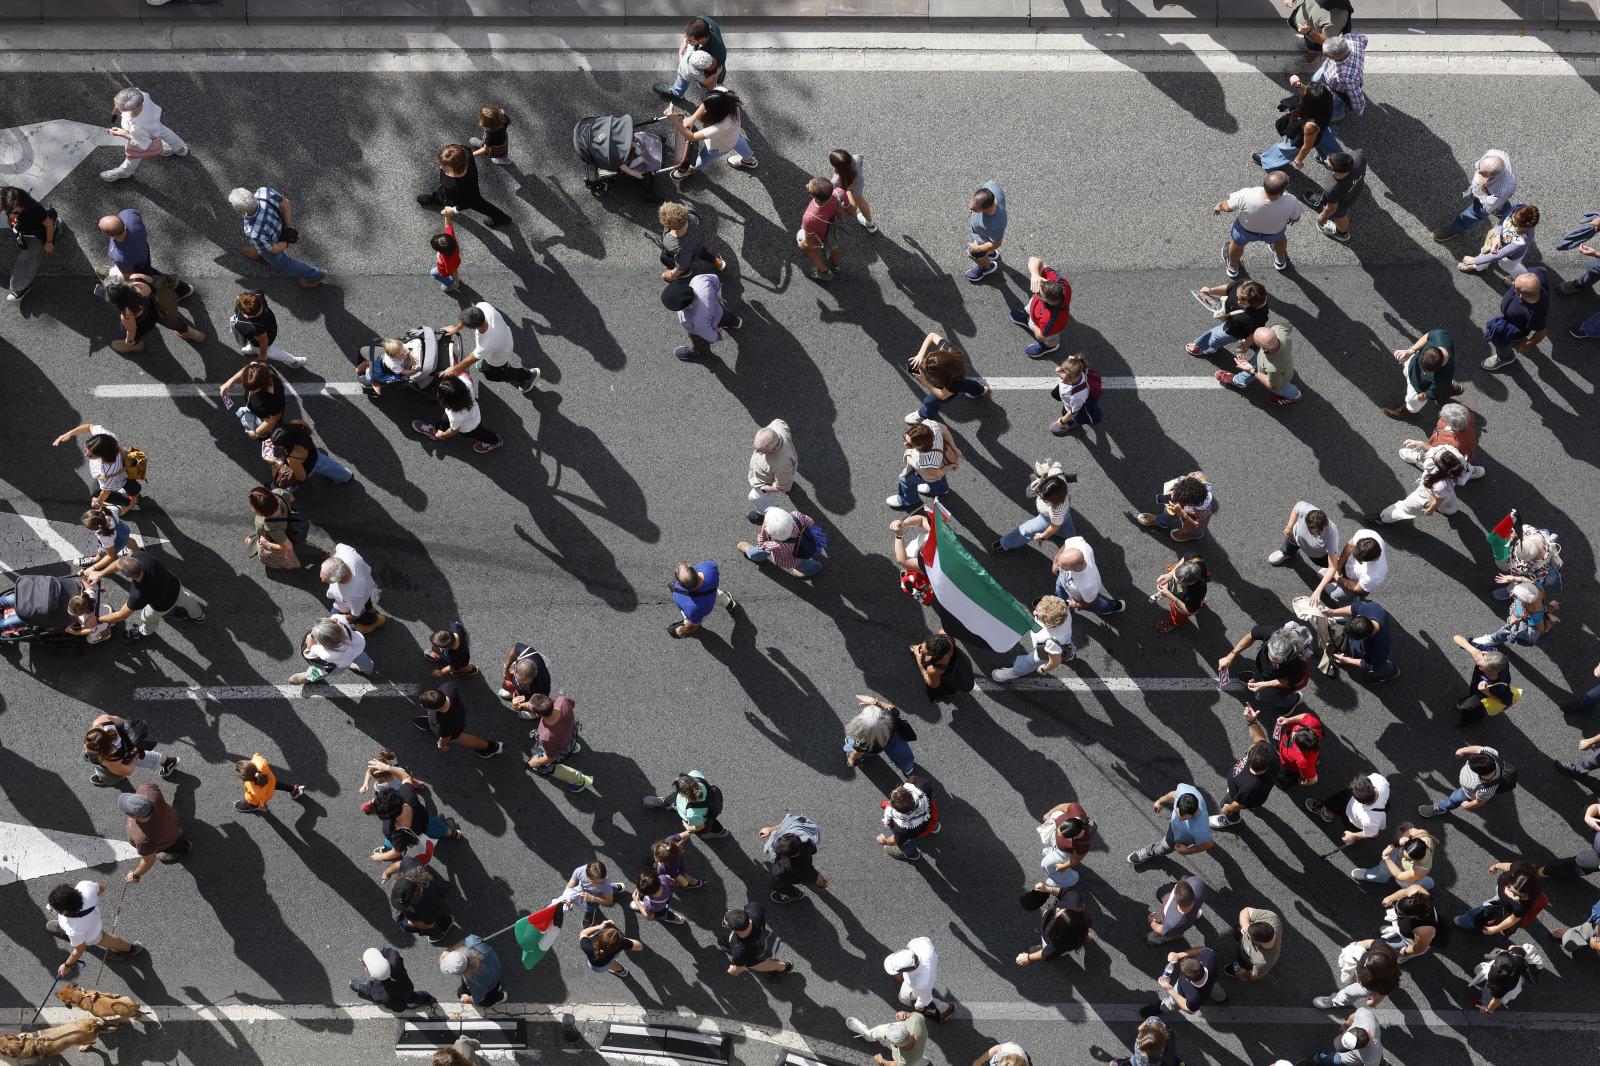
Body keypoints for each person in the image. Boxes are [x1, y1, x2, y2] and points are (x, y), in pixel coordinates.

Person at [85, 551, 205, 644]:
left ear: (127, 576)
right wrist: (100, 574)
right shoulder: (142, 556)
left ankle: (144, 632)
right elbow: (119, 563)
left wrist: (98, 620)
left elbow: (122, 615)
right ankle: (198, 616)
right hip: (174, 585)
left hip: (163, 605)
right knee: (187, 599)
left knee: (147, 617)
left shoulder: (138, 594)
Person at [228, 186, 328, 286]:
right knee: (260, 246)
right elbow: (286, 204)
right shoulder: (264, 192)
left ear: (242, 212)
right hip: (280, 229)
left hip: (271, 244)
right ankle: (255, 251)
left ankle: (316, 275)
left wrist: (287, 244)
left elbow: (274, 249)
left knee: (284, 263)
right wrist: (287, 227)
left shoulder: (252, 231)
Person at [1214, 170, 1303, 278]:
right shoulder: (1291, 201)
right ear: (1281, 192)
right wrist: (1293, 219)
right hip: (1273, 233)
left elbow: (1228, 207)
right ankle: (1280, 261)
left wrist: (1220, 206)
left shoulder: (1246, 195)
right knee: (1280, 239)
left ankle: (1232, 267)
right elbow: (1296, 218)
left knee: (1237, 244)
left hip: (1245, 231)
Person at [45, 881, 143, 977]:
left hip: (90, 936)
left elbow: (80, 949)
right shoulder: (85, 887)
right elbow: (101, 888)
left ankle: (127, 950)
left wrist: (66, 965)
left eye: (55, 908)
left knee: (104, 939)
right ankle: (131, 948)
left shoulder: (73, 930)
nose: (52, 908)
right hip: (92, 923)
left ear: (66, 910)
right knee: (107, 939)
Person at [1254, 82, 1342, 184]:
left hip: (1303, 136)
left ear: (1309, 103)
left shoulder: (1310, 125)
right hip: (1323, 130)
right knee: (1333, 151)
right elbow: (1311, 94)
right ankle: (1342, 168)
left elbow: (1307, 146)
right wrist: (1299, 85)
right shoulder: (1326, 103)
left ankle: (1267, 160)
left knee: (1286, 149)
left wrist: (1298, 160)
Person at [441, 302, 538, 393]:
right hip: (505, 336)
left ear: (472, 328)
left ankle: (527, 375)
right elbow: (468, 318)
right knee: (486, 365)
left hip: (501, 353)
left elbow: (470, 360)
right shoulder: (482, 307)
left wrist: (453, 370)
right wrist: (456, 329)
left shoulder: (487, 343)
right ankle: (489, 365)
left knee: (493, 375)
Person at [1217, 623, 1312, 710]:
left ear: (1288, 656)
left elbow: (1291, 682)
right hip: (1263, 672)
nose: (1273, 665)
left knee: (1268, 697)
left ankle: (1294, 700)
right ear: (1269, 644)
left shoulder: (1298, 662)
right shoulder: (1271, 633)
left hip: (1279, 683)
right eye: (1271, 659)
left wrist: (1264, 685)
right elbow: (1251, 636)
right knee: (1260, 684)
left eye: (1278, 663)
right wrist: (1231, 656)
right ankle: (1258, 681)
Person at [101, 87, 187, 182]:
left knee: (133, 157)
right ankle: (179, 148)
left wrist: (123, 133)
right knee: (165, 132)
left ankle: (124, 172)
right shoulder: (139, 95)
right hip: (154, 122)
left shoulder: (137, 126)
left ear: (129, 109)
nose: (117, 108)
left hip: (143, 135)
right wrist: (118, 106)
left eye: (119, 108)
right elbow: (130, 94)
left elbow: (141, 143)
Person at [666, 87, 757, 177]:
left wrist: (675, 122)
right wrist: (692, 119)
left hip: (719, 146)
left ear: (716, 114)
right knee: (738, 141)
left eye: (706, 109)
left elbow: (692, 137)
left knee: (706, 157)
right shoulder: (724, 97)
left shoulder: (720, 128)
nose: (703, 109)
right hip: (734, 133)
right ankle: (749, 160)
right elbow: (707, 102)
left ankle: (691, 168)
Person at [104, 274, 206, 353]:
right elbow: (152, 280)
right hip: (158, 308)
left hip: (145, 323)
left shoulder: (127, 314)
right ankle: (193, 334)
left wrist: (129, 340)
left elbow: (132, 331)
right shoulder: (138, 281)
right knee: (172, 321)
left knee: (129, 332)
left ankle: (134, 346)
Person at [417, 144, 512, 227]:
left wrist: (454, 210)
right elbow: (464, 149)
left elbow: (473, 201)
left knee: (478, 204)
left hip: (455, 198)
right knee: (445, 193)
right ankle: (437, 199)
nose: (441, 167)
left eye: (444, 166)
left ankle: (501, 218)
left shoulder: (461, 185)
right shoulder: (464, 152)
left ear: (456, 168)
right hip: (447, 192)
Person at [53, 424, 143, 510]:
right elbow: (89, 427)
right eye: (86, 450)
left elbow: (106, 491)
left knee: (97, 493)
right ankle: (135, 494)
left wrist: (98, 501)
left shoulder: (107, 470)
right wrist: (68, 434)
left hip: (117, 480)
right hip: (125, 470)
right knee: (131, 485)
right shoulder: (106, 438)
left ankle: (128, 503)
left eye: (91, 456)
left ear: (103, 455)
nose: (86, 455)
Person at [1435, 148, 1516, 242]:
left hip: (1490, 198)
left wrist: (1483, 190)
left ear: (1492, 177)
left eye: (1481, 173)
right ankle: (1506, 213)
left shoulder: (1503, 190)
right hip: (1496, 195)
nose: (1478, 173)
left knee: (1473, 214)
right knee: (1501, 205)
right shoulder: (1493, 153)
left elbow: (1487, 207)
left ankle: (1454, 230)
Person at [989, 595, 1074, 683]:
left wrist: (1045, 668)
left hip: (1045, 649)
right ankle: (1069, 654)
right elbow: (1069, 602)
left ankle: (1016, 671)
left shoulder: (1051, 641)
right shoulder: (1063, 606)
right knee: (1068, 645)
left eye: (1038, 615)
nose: (1034, 612)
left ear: (1050, 625)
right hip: (1065, 641)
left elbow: (1055, 661)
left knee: (1030, 661)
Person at [905, 333, 988, 423]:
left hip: (950, 385)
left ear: (941, 375)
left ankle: (924, 414)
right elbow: (931, 335)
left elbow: (942, 395)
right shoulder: (949, 350)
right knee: (964, 383)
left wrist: (924, 381)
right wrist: (920, 355)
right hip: (958, 377)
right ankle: (979, 390)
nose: (923, 363)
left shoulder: (951, 383)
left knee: (930, 401)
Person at [1127, 783, 1215, 866]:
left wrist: (1187, 850)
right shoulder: (1184, 789)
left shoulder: (1200, 830)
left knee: (1165, 846)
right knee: (1200, 838)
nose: (1179, 820)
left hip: (1179, 838)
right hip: (1177, 829)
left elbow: (1208, 844)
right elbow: (1173, 795)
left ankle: (1151, 851)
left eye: (1184, 819)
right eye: (1177, 814)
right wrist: (1160, 801)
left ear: (1194, 813)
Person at [1481, 265, 1549, 372]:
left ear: (1522, 294)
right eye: (1515, 280)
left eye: (1515, 287)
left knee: (1499, 339)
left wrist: (1528, 345)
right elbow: (1543, 270)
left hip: (1514, 326)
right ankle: (1515, 342)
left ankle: (1505, 357)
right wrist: (1519, 283)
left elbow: (1542, 332)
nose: (1512, 282)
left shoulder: (1534, 313)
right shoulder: (1536, 273)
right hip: (1512, 313)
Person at [993, 462, 1074, 553]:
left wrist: (1042, 537)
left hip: (1047, 518)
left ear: (1052, 500)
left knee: (1026, 530)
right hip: (1064, 510)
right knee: (1065, 519)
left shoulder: (1056, 510)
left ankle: (1005, 543)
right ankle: (1067, 534)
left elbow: (1054, 526)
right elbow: (1054, 468)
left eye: (1043, 499)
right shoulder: (1057, 475)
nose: (1039, 495)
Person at [84, 713, 177, 787]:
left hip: (126, 755)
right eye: (86, 744)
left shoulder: (109, 760)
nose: (85, 749)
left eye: (93, 752)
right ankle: (168, 762)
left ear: (104, 751)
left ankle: (169, 762)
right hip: (129, 745)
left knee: (111, 775)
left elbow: (127, 771)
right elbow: (121, 722)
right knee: (143, 757)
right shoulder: (101, 721)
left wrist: (135, 755)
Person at [887, 418, 962, 510]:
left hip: (932, 470)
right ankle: (941, 489)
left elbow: (937, 474)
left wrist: (946, 469)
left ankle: (908, 500)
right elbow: (945, 430)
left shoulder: (924, 460)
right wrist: (955, 448)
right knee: (937, 470)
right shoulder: (930, 425)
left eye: (910, 444)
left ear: (921, 446)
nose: (905, 443)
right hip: (940, 461)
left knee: (905, 480)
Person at [121, 784, 190, 883]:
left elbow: (148, 861)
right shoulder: (147, 790)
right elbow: (154, 785)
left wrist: (135, 875)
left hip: (167, 842)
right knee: (175, 832)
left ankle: (185, 847)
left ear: (134, 816)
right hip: (171, 821)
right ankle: (177, 832)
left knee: (169, 851)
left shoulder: (142, 839)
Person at [415, 376, 503, 455]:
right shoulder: (467, 385)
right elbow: (465, 375)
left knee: (481, 434)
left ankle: (495, 441)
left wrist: (442, 435)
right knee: (444, 419)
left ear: (446, 401)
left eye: (439, 393)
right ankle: (435, 430)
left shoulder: (456, 416)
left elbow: (453, 430)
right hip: (473, 414)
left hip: (470, 428)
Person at [1217, 323, 1301, 405]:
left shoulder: (1273, 368)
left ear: (1263, 348)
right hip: (1286, 365)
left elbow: (1273, 386)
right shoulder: (1278, 331)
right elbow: (1287, 327)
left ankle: (1294, 396)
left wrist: (1251, 370)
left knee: (1282, 388)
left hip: (1280, 378)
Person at [525, 694, 593, 794]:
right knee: (568, 739)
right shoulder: (562, 701)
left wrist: (536, 762)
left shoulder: (546, 736)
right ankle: (574, 747)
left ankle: (580, 781)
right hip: (572, 735)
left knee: (545, 767)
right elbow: (572, 703)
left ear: (537, 714)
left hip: (561, 749)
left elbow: (550, 757)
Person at [1187, 278, 1269, 361]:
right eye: (1238, 296)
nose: (1238, 302)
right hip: (1233, 319)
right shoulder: (1244, 286)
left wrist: (1245, 345)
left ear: (1253, 305)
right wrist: (1210, 291)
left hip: (1234, 330)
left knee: (1216, 336)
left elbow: (1254, 332)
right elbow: (1228, 288)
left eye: (1243, 303)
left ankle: (1204, 347)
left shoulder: (1257, 317)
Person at [1419, 746, 1510, 820]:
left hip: (1467, 792)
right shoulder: (1491, 753)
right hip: (1482, 791)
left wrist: (1469, 805)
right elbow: (1478, 748)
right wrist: (1462, 750)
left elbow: (1479, 802)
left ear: (1477, 772)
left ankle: (1441, 808)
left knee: (1454, 799)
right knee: (1486, 795)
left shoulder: (1483, 790)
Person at [663, 275, 740, 361]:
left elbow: (712, 338)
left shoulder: (686, 320)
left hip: (703, 326)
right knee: (727, 318)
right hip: (719, 311)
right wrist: (716, 294)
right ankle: (736, 322)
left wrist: (717, 333)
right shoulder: (699, 280)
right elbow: (715, 279)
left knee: (698, 339)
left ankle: (701, 351)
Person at [415, 684, 502, 760]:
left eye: (424, 706)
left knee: (458, 738)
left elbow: (445, 737)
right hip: (458, 715)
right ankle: (431, 725)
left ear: (435, 709)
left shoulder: (441, 724)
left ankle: (492, 747)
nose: (421, 705)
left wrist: (441, 744)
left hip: (452, 731)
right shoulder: (447, 688)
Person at [1384, 328, 1457, 418]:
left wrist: (1417, 398)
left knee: (1412, 402)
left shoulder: (1444, 377)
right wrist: (1411, 350)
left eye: (1426, 371)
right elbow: (1427, 336)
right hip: (1413, 366)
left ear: (1438, 368)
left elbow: (1428, 394)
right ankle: (1448, 389)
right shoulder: (1439, 336)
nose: (1423, 372)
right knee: (1440, 388)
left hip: (1418, 388)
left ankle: (1409, 413)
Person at [1306, 771, 1391, 848]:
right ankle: (1326, 813)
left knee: (1340, 811)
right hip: (1359, 804)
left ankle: (1326, 814)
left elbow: (1373, 835)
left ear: (1358, 801)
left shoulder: (1369, 820)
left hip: (1353, 818)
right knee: (1335, 801)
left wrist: (1353, 835)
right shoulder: (1379, 780)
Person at [3, 185, 58, 302]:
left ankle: (20, 288)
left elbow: (48, 224)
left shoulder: (35, 210)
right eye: (8, 211)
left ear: (23, 205)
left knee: (27, 257)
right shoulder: (6, 197)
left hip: (35, 232)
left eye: (15, 212)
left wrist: (48, 242)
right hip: (21, 228)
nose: (11, 215)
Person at [1456, 861, 1543, 935]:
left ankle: (1465, 922)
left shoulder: (1522, 905)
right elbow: (1507, 866)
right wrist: (1496, 866)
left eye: (1520, 896)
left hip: (1508, 907)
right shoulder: (1518, 867)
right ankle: (1494, 918)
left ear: (1528, 894)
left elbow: (1512, 919)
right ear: (1510, 878)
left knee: (1483, 910)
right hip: (1500, 898)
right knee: (1494, 910)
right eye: (1512, 891)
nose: (1515, 897)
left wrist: (1495, 929)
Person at [654, 15, 727, 101]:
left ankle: (707, 100)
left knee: (707, 90)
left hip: (710, 75)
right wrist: (684, 43)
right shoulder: (704, 22)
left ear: (700, 39)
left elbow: (709, 83)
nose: (687, 42)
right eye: (686, 37)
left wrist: (681, 53)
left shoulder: (716, 55)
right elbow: (691, 29)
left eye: (689, 40)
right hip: (704, 72)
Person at [1010, 256, 1071, 358]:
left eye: (1038, 291)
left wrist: (1032, 323)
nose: (1038, 286)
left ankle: (1050, 347)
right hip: (1037, 310)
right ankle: (1028, 316)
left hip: (1044, 327)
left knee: (1051, 339)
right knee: (1030, 309)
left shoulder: (1050, 320)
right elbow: (1034, 259)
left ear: (1044, 300)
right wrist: (1035, 275)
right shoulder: (1061, 285)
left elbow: (1042, 336)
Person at [1210, 739, 1279, 830]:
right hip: (1244, 792)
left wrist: (1228, 809)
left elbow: (1238, 804)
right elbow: (1259, 737)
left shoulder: (1250, 788)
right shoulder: (1268, 750)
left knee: (1224, 804)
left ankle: (1232, 819)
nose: (1252, 746)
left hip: (1241, 796)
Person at [843, 695, 917, 779]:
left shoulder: (864, 740)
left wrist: (851, 759)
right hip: (893, 738)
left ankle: (855, 760)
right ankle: (908, 770)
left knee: (852, 747)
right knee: (903, 756)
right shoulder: (891, 718)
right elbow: (892, 709)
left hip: (874, 747)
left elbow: (857, 753)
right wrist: (875, 702)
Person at [1312, 940, 1401, 1009]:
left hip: (1366, 987)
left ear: (1376, 974)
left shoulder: (1384, 984)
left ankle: (1333, 1001)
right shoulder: (1382, 948)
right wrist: (1356, 944)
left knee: (1348, 993)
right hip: (1363, 978)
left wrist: (1373, 1003)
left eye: (1367, 966)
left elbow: (1381, 995)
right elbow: (1369, 943)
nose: (1365, 963)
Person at [759, 813, 827, 903]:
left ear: (785, 855)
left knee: (775, 885)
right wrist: (770, 829)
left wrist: (822, 884)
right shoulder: (802, 839)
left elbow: (814, 876)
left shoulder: (786, 870)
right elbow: (785, 826)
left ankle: (796, 894)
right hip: (804, 865)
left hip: (795, 875)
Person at [885, 938, 956, 1023]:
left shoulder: (921, 984)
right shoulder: (921, 945)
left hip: (921, 986)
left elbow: (924, 999)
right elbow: (912, 944)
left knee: (904, 998)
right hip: (929, 969)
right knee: (921, 995)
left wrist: (918, 1007)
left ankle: (946, 1009)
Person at [290, 616, 376, 686]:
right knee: (366, 662)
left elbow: (310, 651)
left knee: (321, 671)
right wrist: (328, 621)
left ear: (324, 644)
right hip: (356, 650)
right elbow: (338, 618)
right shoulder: (341, 620)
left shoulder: (327, 654)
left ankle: (307, 677)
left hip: (341, 664)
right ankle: (368, 670)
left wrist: (310, 641)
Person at [1460, 203, 1540, 280]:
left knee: (1508, 267)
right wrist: (1498, 235)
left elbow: (1499, 255)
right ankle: (1479, 267)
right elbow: (1504, 217)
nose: (1511, 222)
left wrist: (1474, 260)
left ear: (1524, 228)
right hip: (1499, 240)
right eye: (1512, 220)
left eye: (1514, 224)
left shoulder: (1523, 240)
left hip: (1510, 257)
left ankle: (1523, 277)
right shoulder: (1519, 207)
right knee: (1485, 251)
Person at [1325, 600, 1398, 682]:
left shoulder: (1378, 648)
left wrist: (1347, 660)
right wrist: (1332, 612)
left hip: (1377, 659)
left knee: (1379, 666)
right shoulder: (1373, 608)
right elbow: (1354, 608)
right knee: (1357, 649)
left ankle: (1392, 672)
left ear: (1364, 638)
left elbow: (1369, 665)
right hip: (1366, 643)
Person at [230, 290, 306, 369]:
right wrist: (241, 299)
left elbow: (263, 343)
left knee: (269, 351)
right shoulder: (258, 295)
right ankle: (253, 349)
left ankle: (294, 361)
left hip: (261, 341)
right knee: (255, 344)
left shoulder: (250, 327)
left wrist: (262, 356)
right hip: (270, 326)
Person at [643, 770, 729, 839]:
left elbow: (699, 827)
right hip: (706, 805)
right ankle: (664, 802)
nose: (677, 778)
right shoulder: (695, 776)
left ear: (684, 794)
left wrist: (688, 827)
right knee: (674, 796)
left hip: (703, 818)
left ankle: (720, 832)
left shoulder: (692, 814)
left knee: (708, 825)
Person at [1053, 538, 1126, 618]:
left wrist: (1075, 604)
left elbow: (1089, 603)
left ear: (1073, 569)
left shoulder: (1087, 585)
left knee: (1100, 605)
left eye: (1061, 566)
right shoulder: (1076, 543)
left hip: (1084, 596)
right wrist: (1055, 561)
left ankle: (1114, 606)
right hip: (1064, 581)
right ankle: (1060, 604)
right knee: (1059, 588)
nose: (1058, 566)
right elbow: (1066, 544)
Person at [1135, 471, 1215, 542]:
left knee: (1194, 529)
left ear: (1189, 504)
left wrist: (1182, 513)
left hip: (1192, 516)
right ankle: (1162, 522)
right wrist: (1173, 492)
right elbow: (1184, 480)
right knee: (1169, 510)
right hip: (1185, 503)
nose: (1174, 497)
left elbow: (1199, 525)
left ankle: (1194, 534)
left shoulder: (1204, 512)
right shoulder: (1197, 476)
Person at [1473, 581, 1557, 649]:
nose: (1512, 593)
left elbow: (1538, 626)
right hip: (1522, 614)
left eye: (1517, 595)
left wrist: (1516, 621)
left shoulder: (1534, 616)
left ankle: (1494, 639)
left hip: (1519, 621)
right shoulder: (1535, 588)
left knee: (1507, 630)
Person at [1313, 530, 1387, 606]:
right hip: (1347, 570)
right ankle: (1337, 576)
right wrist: (1338, 567)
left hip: (1356, 582)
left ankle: (1356, 602)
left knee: (1334, 595)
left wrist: (1338, 578)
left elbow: (1357, 587)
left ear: (1366, 561)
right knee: (1327, 579)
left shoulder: (1374, 575)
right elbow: (1349, 547)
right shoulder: (1367, 534)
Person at [1016, 892, 1093, 966]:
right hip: (1075, 938)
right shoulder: (1079, 915)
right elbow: (1064, 892)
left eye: (1057, 915)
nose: (1057, 909)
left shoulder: (1057, 943)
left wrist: (1028, 958)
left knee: (1048, 947)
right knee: (1079, 937)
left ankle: (1044, 946)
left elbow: (1045, 954)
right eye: (1063, 910)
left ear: (1056, 931)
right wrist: (1047, 889)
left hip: (1058, 943)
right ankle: (1085, 937)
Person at [1450, 636, 1516, 723]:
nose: (1478, 662)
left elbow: (1507, 702)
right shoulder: (1493, 657)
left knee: (1469, 709)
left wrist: (1486, 692)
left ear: (1492, 672)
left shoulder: (1500, 686)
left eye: (1481, 665)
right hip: (1476, 687)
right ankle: (1465, 705)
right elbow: (1457, 637)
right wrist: (1474, 651)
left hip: (1483, 696)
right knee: (1468, 699)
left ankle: (1471, 719)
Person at [1351, 825, 1437, 889]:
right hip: (1401, 860)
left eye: (1408, 858)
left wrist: (1386, 858)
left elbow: (1400, 876)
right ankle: (1376, 876)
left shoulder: (1421, 870)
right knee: (1383, 869)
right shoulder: (1424, 837)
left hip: (1407, 872)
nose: (1403, 857)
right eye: (1405, 849)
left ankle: (1425, 884)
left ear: (1416, 859)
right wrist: (1404, 837)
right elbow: (1410, 831)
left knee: (1410, 884)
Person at [219, 362, 288, 441]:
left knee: (267, 432)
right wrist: (230, 382)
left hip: (264, 417)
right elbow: (246, 371)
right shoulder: (258, 368)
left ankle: (266, 435)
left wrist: (256, 432)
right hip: (256, 409)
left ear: (262, 386)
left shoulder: (275, 400)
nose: (250, 393)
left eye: (252, 390)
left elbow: (273, 421)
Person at [723, 902, 794, 978]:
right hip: (761, 936)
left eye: (725, 923)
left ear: (734, 929)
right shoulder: (754, 908)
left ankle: (783, 967)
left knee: (754, 964)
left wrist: (732, 970)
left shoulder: (739, 951)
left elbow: (738, 969)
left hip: (754, 953)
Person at [797, 175, 848, 282]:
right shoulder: (840, 193)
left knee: (801, 239)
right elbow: (851, 211)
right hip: (835, 229)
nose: (806, 186)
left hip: (821, 237)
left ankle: (824, 272)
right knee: (835, 244)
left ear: (816, 198)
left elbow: (809, 244)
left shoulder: (809, 217)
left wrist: (803, 245)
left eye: (808, 190)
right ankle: (835, 265)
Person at [1469, 943, 1547, 1012]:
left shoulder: (1503, 984)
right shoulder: (1517, 956)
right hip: (1513, 977)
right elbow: (1512, 947)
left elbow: (1496, 1000)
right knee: (1494, 992)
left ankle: (1484, 1001)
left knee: (1489, 992)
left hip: (1505, 984)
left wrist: (1488, 1009)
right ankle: (1486, 1000)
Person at [322, 546, 385, 632]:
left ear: (340, 579)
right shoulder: (345, 552)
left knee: (357, 614)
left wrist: (345, 618)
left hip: (352, 604)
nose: (322, 580)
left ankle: (375, 620)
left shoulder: (353, 595)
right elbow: (339, 546)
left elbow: (357, 613)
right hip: (367, 589)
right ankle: (370, 609)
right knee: (366, 601)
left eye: (327, 581)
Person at [668, 560, 736, 638]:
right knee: (720, 597)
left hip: (701, 612)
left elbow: (693, 624)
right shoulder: (710, 569)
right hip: (712, 594)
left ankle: (685, 628)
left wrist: (682, 630)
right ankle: (730, 604)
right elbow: (711, 563)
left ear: (681, 585)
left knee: (691, 619)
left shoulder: (678, 596)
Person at [658, 201, 724, 282]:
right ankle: (718, 262)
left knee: (665, 259)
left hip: (687, 254)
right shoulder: (690, 211)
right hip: (698, 242)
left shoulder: (670, 242)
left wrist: (671, 275)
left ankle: (686, 272)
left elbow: (682, 264)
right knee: (701, 252)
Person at [351, 946, 434, 1011]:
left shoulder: (379, 992)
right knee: (418, 997)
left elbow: (397, 1007)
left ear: (371, 974)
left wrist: (369, 966)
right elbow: (388, 952)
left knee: (368, 988)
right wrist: (376, 961)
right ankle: (428, 998)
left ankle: (355, 985)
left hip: (398, 998)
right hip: (408, 989)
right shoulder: (394, 959)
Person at [1035, 801, 1093, 891]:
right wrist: (1050, 813)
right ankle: (1053, 850)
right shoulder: (1075, 809)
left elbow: (1075, 860)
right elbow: (1063, 806)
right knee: (1057, 815)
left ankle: (1069, 880)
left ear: (1074, 837)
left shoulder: (1082, 844)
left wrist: (1063, 867)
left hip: (1063, 852)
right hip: (1059, 846)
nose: (1058, 834)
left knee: (1045, 865)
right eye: (1060, 828)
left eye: (1062, 836)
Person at [1307, 33, 1367, 120]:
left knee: (1335, 102)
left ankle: (1337, 115)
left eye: (1327, 55)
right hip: (1327, 69)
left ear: (1337, 57)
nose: (1324, 55)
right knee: (1315, 79)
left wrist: (1359, 108)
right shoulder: (1350, 39)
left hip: (1338, 89)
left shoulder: (1348, 78)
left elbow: (1355, 95)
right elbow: (1364, 39)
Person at [1261, 706, 1323, 788]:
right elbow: (1304, 716)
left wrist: (1303, 783)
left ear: (1300, 748)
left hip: (1288, 767)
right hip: (1284, 749)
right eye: (1298, 731)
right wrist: (1288, 720)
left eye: (1294, 737)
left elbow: (1313, 780)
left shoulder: (1304, 762)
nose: (1293, 733)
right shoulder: (1312, 722)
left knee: (1281, 779)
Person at [1375, 884, 1442, 959]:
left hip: (1410, 941)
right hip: (1405, 930)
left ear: (1413, 916)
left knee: (1388, 948)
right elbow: (1405, 891)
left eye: (1400, 913)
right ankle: (1396, 930)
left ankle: (1404, 957)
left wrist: (1406, 952)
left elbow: (1419, 948)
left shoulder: (1424, 931)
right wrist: (1391, 898)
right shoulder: (1417, 894)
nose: (1396, 911)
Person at [439, 934, 505, 1009]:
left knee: (463, 995)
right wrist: (449, 950)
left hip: (491, 984)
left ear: (460, 973)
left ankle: (500, 996)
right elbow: (465, 940)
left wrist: (468, 999)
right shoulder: (473, 943)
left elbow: (479, 998)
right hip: (494, 964)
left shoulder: (477, 982)